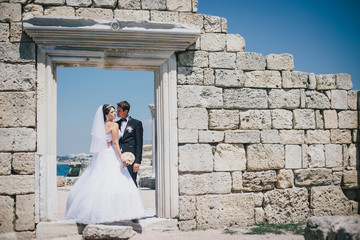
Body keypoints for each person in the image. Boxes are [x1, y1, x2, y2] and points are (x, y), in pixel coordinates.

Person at [66, 104, 145, 224]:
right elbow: (115, 143)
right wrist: (122, 158)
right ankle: (117, 212)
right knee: (116, 182)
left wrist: (104, 142)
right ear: (107, 114)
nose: (115, 114)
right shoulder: (114, 125)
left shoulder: (100, 126)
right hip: (112, 154)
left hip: (102, 155)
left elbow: (101, 140)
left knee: (99, 181)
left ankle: (96, 211)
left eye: (115, 111)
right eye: (112, 112)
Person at [116, 101, 143, 186]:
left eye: (119, 110)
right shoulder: (116, 124)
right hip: (117, 157)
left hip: (130, 158)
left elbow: (139, 143)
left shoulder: (136, 123)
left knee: (131, 181)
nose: (117, 112)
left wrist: (137, 161)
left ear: (126, 111)